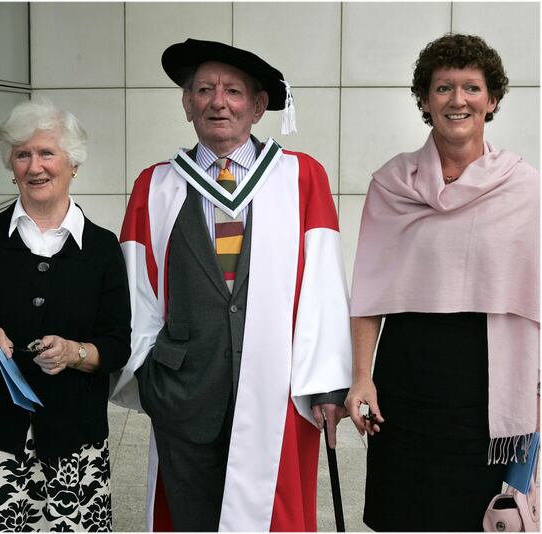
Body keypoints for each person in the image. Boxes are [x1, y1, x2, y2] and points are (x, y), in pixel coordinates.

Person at [110, 38, 352, 531]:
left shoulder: (299, 177)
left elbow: (323, 282)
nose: (217, 101)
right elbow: (137, 290)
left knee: (273, 517)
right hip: (182, 388)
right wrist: (150, 374)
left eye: (234, 91)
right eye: (203, 89)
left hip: (275, 385)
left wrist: (327, 381)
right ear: (186, 103)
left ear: (259, 106)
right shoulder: (156, 185)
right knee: (188, 516)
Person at [345, 33, 540, 531]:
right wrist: (362, 376)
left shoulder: (524, 187)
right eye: (443, 87)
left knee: (473, 517)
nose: (458, 100)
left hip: (487, 386)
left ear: (491, 100)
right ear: (425, 100)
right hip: (406, 379)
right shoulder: (392, 184)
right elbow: (369, 289)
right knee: (399, 514)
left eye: (472, 88)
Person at [0, 98, 131, 532]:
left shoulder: (101, 247)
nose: (35, 166)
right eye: (23, 154)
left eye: (47, 153)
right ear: (11, 164)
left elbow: (117, 343)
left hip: (75, 442)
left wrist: (76, 353)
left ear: (72, 163)